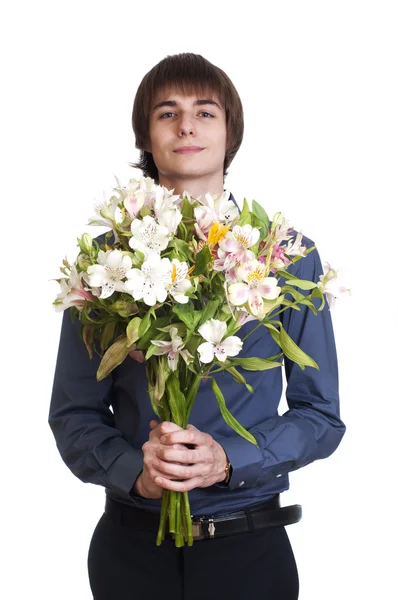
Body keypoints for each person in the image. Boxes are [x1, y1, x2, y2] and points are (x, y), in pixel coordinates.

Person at [49, 52, 346, 600]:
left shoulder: (284, 257)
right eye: (167, 112)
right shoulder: (105, 264)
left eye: (205, 112)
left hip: (251, 550)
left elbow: (321, 416)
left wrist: (230, 460)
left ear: (230, 133)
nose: (186, 125)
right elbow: (73, 414)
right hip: (130, 550)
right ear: (146, 133)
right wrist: (132, 471)